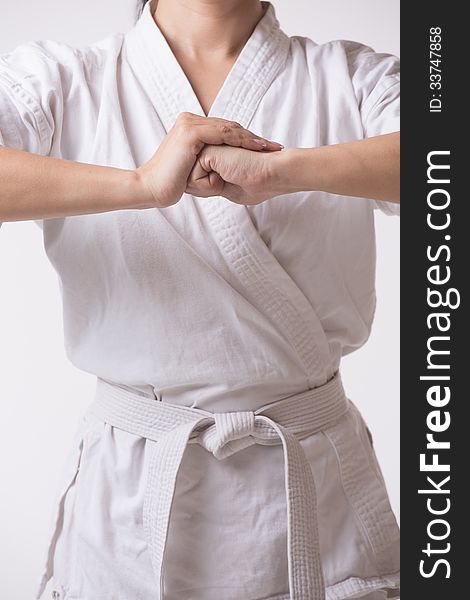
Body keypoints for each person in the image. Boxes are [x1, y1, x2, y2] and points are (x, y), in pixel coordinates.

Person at [0, 0, 400, 599]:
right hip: (128, 507)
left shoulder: (355, 79)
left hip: (314, 496)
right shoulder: (59, 81)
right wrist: (137, 186)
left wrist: (287, 171)